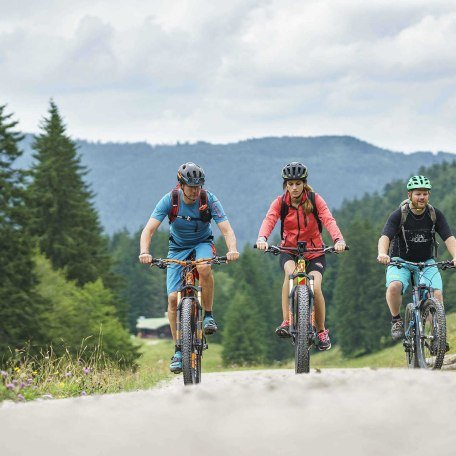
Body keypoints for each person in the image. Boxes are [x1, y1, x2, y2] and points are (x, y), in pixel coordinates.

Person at [139, 162, 239, 373]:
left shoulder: (209, 200)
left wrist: (232, 249)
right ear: (181, 185)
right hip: (177, 249)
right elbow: (148, 230)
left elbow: (227, 230)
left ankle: (209, 315)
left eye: (198, 186)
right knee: (173, 299)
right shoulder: (170, 200)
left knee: (204, 268)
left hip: (203, 244)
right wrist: (145, 252)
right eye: (191, 186)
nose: (195, 191)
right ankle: (178, 350)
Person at [255, 162, 346, 350]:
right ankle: (287, 321)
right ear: (285, 185)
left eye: (298, 183)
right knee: (290, 276)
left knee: (316, 285)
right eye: (290, 184)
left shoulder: (315, 199)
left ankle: (321, 331)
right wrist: (262, 238)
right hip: (289, 250)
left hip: (314, 253)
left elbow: (328, 219)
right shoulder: (280, 202)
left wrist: (338, 240)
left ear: (304, 183)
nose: (294, 188)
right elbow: (270, 219)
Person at [377, 175, 456, 340]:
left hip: (426, 262)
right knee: (394, 287)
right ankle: (396, 320)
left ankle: (437, 334)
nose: (422, 197)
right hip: (400, 261)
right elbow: (385, 237)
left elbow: (449, 237)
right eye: (418, 193)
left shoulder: (435, 214)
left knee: (437, 294)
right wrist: (383, 253)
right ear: (409, 195)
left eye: (425, 193)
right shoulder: (399, 215)